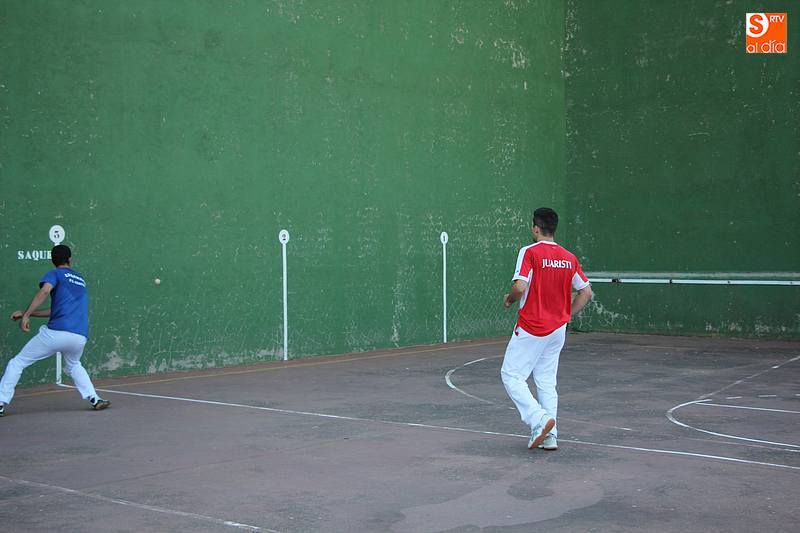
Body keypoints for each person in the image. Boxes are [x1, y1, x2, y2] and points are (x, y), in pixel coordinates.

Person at [501, 207, 592, 450]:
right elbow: (586, 292)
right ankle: (550, 436)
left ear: (536, 229)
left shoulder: (529, 252)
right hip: (557, 330)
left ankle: (539, 420)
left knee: (511, 375)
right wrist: (565, 315)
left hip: (532, 326)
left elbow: (520, 286)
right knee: (546, 381)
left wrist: (509, 299)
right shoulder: (569, 257)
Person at [0, 245, 110, 416]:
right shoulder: (80, 279)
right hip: (79, 336)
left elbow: (45, 291)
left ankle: (0, 402)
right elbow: (56, 310)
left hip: (56, 333)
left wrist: (26, 315)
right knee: (74, 365)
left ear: (53, 261)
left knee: (18, 362)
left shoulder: (55, 274)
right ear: (70, 260)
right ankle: (95, 399)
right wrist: (28, 313)